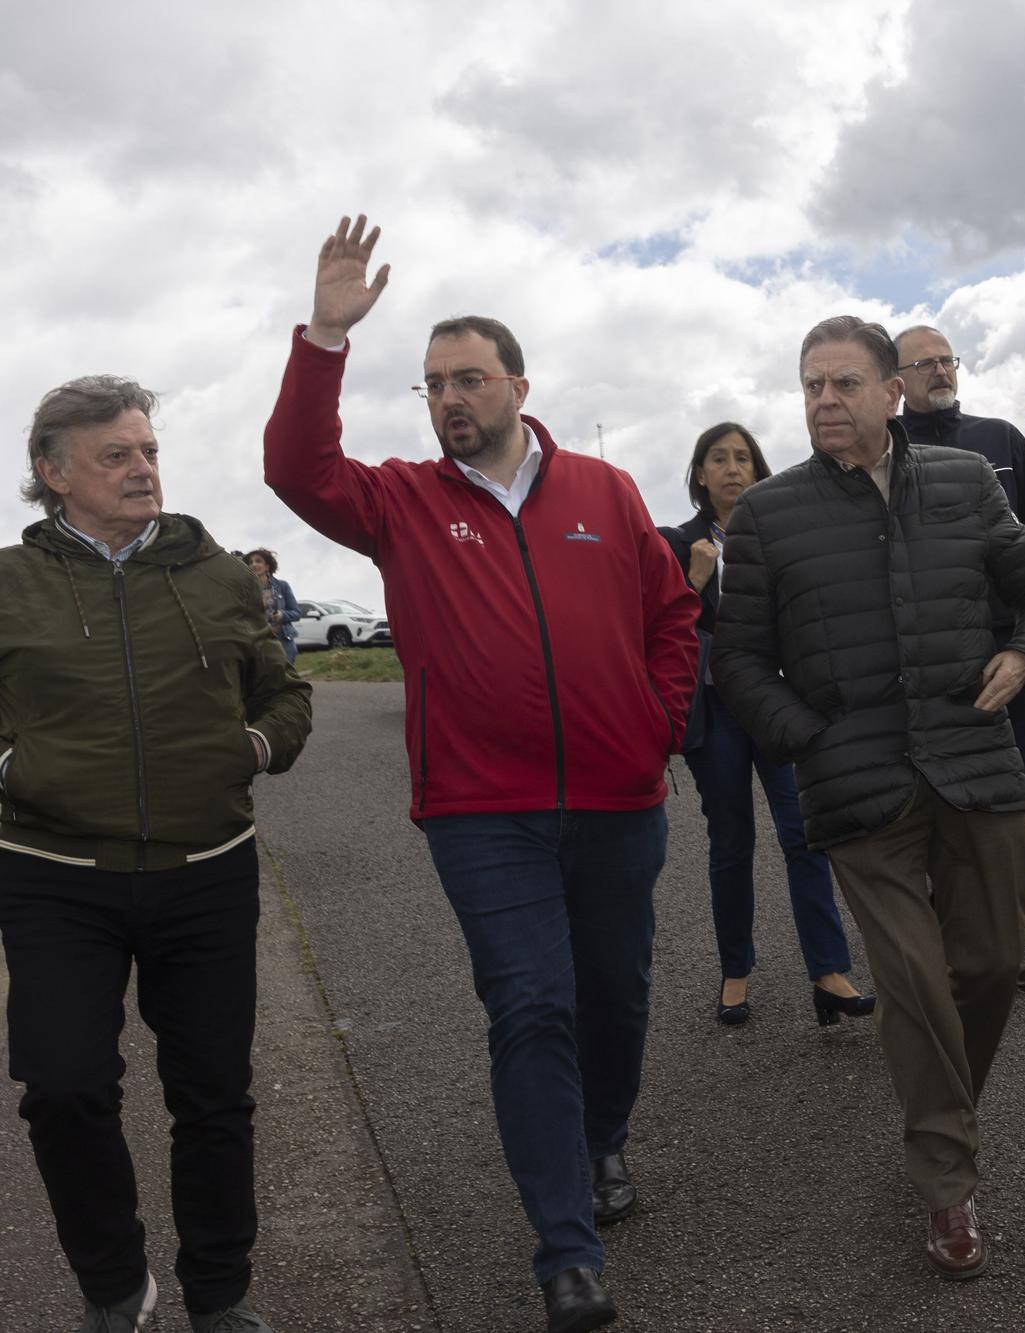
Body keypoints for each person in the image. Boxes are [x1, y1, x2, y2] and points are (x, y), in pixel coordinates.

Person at [263, 216, 700, 1333]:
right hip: (481, 811)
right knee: (532, 1005)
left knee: (615, 996)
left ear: (517, 383)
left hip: (617, 800)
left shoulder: (605, 493)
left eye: (467, 378)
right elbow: (297, 469)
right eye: (431, 385)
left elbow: (673, 616)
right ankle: (566, 1247)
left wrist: (659, 722)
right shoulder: (402, 501)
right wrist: (324, 335)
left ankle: (601, 1144)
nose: (449, 398)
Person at [710, 315, 1025, 1280]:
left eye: (844, 385)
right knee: (911, 981)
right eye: (810, 387)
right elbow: (736, 662)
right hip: (857, 786)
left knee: (992, 965)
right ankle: (948, 1184)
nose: (825, 402)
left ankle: (938, 1115)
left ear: (891, 392)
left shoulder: (964, 482)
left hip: (975, 762)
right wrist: (808, 737)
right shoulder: (771, 516)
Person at [2, 375, 313, 1333]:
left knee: (214, 1095)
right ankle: (112, 1285)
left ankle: (219, 1294)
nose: (143, 469)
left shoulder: (220, 573)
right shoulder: (8, 585)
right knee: (62, 1087)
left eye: (147, 450)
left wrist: (255, 746)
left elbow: (285, 693)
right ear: (54, 473)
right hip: (54, 875)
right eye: (115, 455)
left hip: (207, 869)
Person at [660, 421, 874, 1028]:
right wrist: (694, 580)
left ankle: (828, 971)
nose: (732, 468)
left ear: (759, 472)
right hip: (715, 710)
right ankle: (735, 972)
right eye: (718, 459)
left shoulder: (779, 536)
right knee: (731, 844)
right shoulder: (676, 543)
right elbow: (658, 625)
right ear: (700, 474)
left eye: (744, 459)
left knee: (804, 834)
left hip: (775, 704)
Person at [895, 325, 1025, 989]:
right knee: (939, 810)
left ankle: (1018, 925)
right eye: (925, 362)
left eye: (947, 359)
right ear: (896, 379)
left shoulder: (1000, 439)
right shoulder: (880, 451)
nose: (940, 370)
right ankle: (950, 929)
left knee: (1022, 803)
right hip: (924, 669)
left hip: (1009, 659)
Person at [243, 547, 300, 663]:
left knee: (286, 679)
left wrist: (282, 615)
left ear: (267, 566)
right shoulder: (245, 590)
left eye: (258, 561)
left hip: (283, 641)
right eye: (250, 562)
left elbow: (297, 613)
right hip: (258, 642)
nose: (253, 564)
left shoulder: (282, 586)